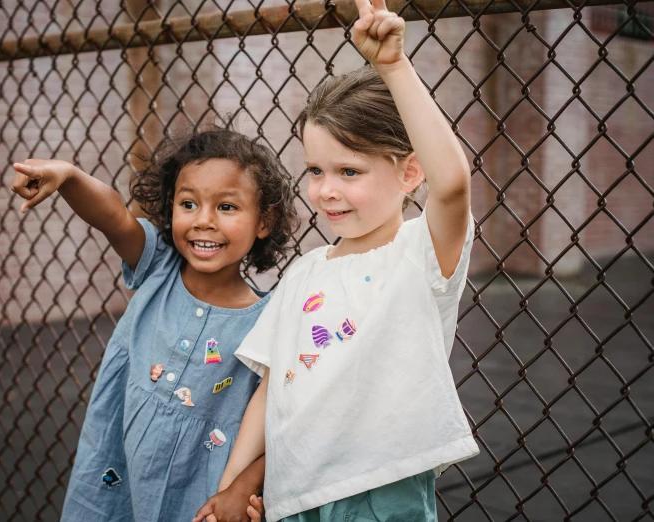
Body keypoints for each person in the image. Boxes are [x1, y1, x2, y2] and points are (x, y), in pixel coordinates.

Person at [196, 1, 479, 520]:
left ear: (410, 172)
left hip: (382, 490)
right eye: (315, 170)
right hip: (292, 492)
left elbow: (455, 182)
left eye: (349, 171)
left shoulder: (419, 255)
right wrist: (231, 487)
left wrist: (393, 67)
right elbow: (268, 391)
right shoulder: (305, 272)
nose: (326, 190)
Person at [10, 127, 298, 521]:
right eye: (188, 204)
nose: (204, 221)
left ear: (263, 221)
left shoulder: (267, 322)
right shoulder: (158, 265)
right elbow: (113, 216)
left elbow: (279, 424)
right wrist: (70, 177)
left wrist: (244, 485)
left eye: (227, 207)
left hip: (197, 490)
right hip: (115, 470)